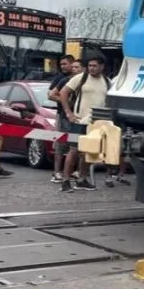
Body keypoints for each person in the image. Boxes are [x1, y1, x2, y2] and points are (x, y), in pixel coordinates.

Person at [58, 55, 110, 192]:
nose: (91, 68)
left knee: (89, 151)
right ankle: (65, 180)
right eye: (90, 66)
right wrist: (68, 112)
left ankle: (81, 179)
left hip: (97, 123)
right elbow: (63, 92)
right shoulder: (81, 77)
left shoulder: (107, 81)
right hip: (80, 121)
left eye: (95, 66)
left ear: (102, 67)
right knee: (74, 151)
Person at [47, 55, 75, 183]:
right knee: (60, 144)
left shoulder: (79, 78)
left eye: (65, 64)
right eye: (61, 64)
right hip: (62, 114)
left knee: (74, 145)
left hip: (77, 116)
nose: (63, 66)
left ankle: (72, 171)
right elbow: (50, 94)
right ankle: (56, 172)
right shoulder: (61, 78)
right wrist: (65, 102)